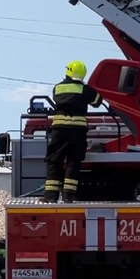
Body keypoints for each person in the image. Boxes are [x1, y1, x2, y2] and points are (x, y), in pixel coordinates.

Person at [42, 60, 104, 204]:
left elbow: (57, 99)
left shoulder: (57, 88)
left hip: (59, 130)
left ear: (68, 71)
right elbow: (97, 102)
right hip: (78, 130)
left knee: (55, 160)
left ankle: (50, 196)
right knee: (73, 162)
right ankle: (69, 196)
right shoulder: (85, 89)